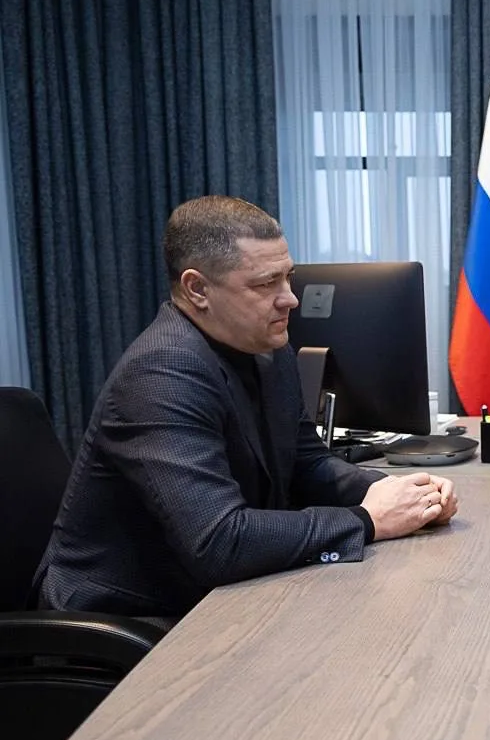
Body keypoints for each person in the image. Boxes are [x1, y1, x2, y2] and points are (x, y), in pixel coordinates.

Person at [36, 195, 459, 619]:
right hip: (124, 616)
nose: (290, 299)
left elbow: (308, 465)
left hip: (213, 595)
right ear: (197, 289)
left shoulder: (267, 349)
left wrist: (402, 495)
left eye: (288, 278)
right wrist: (367, 520)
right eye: (265, 284)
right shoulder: (161, 372)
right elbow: (219, 541)